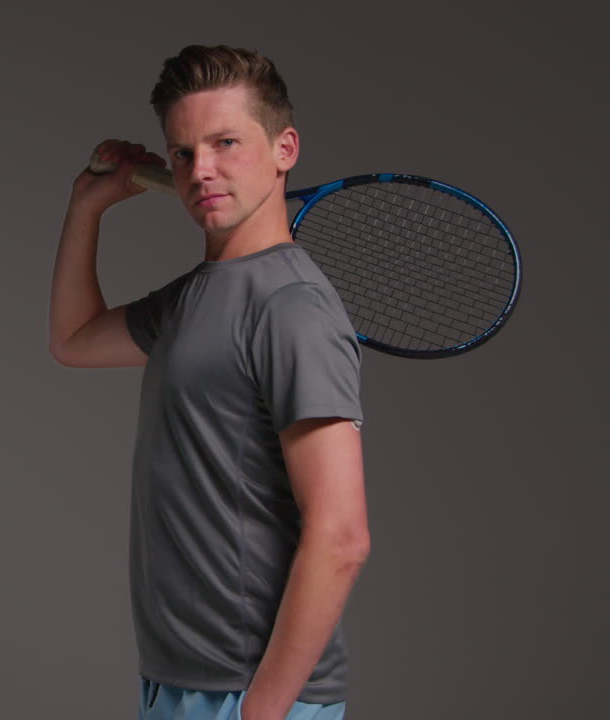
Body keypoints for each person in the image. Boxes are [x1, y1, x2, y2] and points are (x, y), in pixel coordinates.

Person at [48, 46, 369, 720]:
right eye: (184, 152)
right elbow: (73, 342)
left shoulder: (292, 308)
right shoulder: (196, 297)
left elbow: (341, 536)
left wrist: (261, 712)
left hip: (250, 695)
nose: (202, 171)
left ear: (285, 149)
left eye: (225, 143)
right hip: (179, 679)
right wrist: (87, 207)